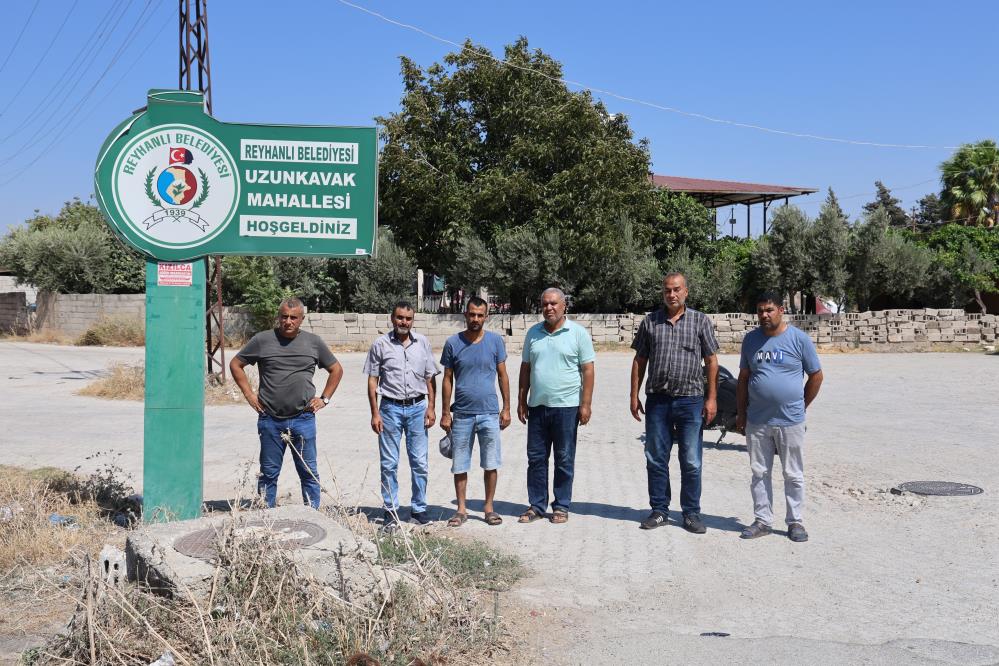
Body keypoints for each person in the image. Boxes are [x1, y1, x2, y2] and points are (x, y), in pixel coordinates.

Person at [230, 297, 343, 509]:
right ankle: (266, 516)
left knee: (309, 472)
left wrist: (324, 399)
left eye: (293, 317)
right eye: (284, 317)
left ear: (302, 319)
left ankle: (312, 515)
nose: (288, 321)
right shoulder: (262, 340)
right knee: (268, 473)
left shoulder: (314, 342)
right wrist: (249, 395)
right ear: (278, 317)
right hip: (270, 419)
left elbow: (336, 369)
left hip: (303, 418)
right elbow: (236, 364)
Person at [630, 272, 719, 534]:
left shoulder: (700, 321)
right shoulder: (650, 322)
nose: (672, 294)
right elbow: (640, 360)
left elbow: (711, 361)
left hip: (690, 401)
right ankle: (659, 510)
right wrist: (634, 395)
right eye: (667, 290)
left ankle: (691, 513)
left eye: (677, 289)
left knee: (691, 461)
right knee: (656, 458)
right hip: (657, 401)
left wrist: (712, 398)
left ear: (686, 292)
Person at [736, 292, 823, 542]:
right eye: (760, 311)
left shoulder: (799, 339)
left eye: (769, 310)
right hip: (757, 420)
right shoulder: (751, 340)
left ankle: (795, 522)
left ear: (781, 310)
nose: (764, 315)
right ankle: (762, 521)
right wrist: (741, 414)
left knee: (793, 474)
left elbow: (816, 376)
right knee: (759, 472)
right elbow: (743, 378)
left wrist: (801, 405)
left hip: (790, 420)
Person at [517, 287, 595, 525]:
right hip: (538, 407)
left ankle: (561, 505)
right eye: (545, 304)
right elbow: (525, 369)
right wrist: (521, 401)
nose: (549, 308)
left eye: (553, 303)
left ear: (564, 306)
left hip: (567, 407)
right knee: (536, 459)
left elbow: (588, 370)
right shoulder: (533, 333)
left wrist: (586, 404)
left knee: (564, 458)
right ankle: (537, 505)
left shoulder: (577, 333)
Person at [364, 302, 440, 529]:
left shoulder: (422, 343)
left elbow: (430, 377)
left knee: (420, 462)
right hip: (390, 409)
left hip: (418, 408)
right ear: (392, 318)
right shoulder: (380, 344)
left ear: (413, 320)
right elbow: (372, 380)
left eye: (408, 318)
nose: (403, 322)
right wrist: (375, 413)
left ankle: (419, 509)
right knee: (389, 463)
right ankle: (391, 510)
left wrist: (431, 407)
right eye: (399, 317)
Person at [439, 297, 511, 527]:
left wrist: (507, 408)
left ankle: (489, 508)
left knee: (491, 463)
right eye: (472, 314)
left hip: (489, 413)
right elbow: (447, 379)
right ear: (465, 315)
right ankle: (461, 510)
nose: (476, 319)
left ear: (486, 317)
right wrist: (445, 412)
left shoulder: (495, 341)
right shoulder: (453, 343)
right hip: (462, 414)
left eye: (480, 315)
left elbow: (503, 375)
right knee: (460, 464)